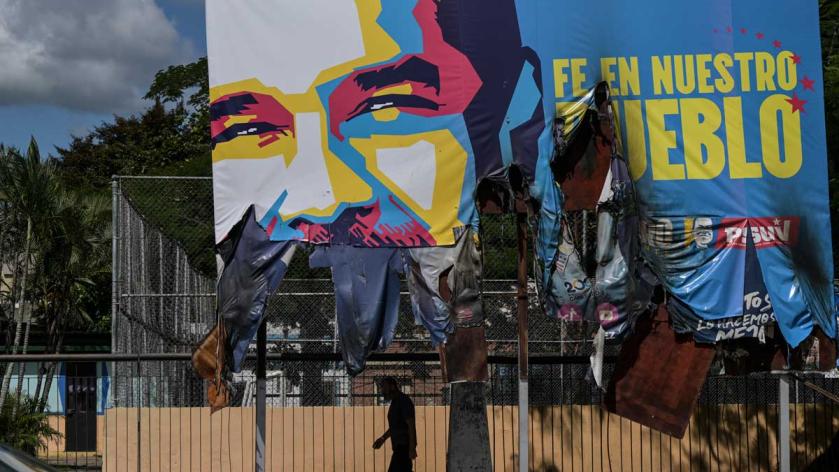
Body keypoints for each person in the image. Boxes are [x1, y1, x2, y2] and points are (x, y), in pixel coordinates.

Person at [373, 377, 417, 471]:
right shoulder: (395, 402)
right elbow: (394, 427)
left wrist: (412, 448)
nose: (382, 391)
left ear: (392, 387)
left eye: (384, 387)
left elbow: (411, 425)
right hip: (398, 447)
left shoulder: (403, 401)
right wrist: (382, 439)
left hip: (404, 447)